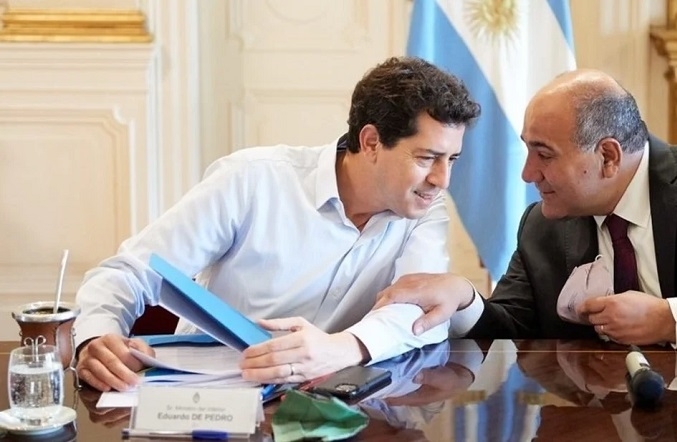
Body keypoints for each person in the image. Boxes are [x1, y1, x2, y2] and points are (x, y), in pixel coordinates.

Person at [72, 56, 481, 392]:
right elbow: (128, 273)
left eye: (452, 160)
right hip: (206, 400)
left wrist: (342, 348)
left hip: (330, 411)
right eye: (427, 158)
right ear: (371, 142)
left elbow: (422, 316)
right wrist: (95, 337)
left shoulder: (425, 209)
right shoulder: (252, 180)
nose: (442, 180)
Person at [375, 69, 677, 350]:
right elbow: (511, 326)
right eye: (528, 150)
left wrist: (667, 318)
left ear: (609, 156)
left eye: (544, 154)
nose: (528, 174)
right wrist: (464, 298)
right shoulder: (542, 225)